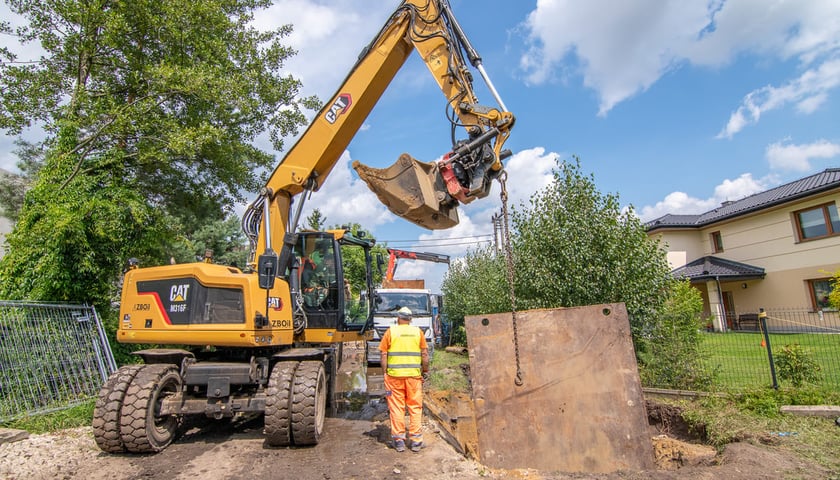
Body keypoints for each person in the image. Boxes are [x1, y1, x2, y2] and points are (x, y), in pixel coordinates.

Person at [379, 307, 429, 453]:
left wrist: (385, 373)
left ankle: (399, 441)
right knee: (415, 407)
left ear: (398, 318)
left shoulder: (390, 332)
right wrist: (424, 370)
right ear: (410, 319)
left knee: (396, 408)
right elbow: (425, 355)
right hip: (413, 377)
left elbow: (383, 355)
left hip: (394, 377)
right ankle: (416, 441)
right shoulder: (418, 332)